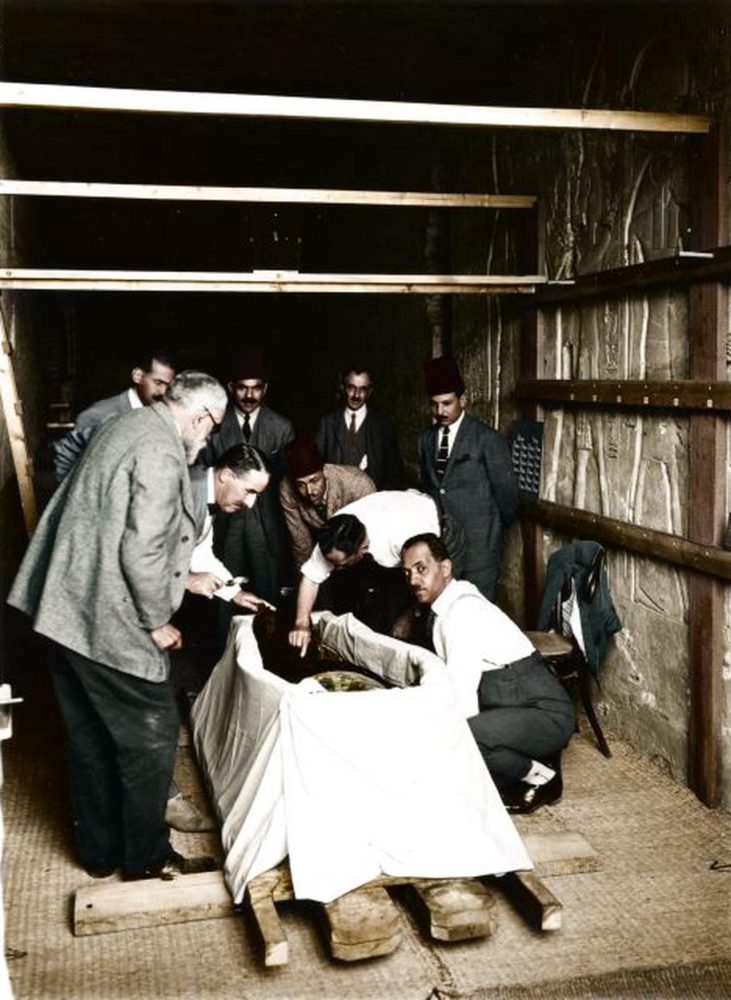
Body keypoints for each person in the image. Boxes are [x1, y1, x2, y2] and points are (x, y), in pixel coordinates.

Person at [8, 371, 227, 880]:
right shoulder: (163, 452)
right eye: (213, 427)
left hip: (64, 609)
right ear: (202, 417)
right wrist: (155, 621)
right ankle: (146, 860)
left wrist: (184, 578)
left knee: (88, 735)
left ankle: (100, 853)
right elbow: (142, 549)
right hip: (103, 616)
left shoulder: (126, 424)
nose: (208, 438)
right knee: (153, 730)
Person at [400, 533, 575, 814]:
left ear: (445, 568)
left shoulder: (461, 612)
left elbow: (462, 701)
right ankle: (521, 760)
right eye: (408, 572)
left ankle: (543, 778)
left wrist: (439, 737)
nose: (413, 580)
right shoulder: (449, 606)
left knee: (461, 738)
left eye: (421, 569)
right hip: (517, 707)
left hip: (547, 714)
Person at [288, 489, 465, 658]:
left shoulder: (403, 540)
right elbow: (311, 578)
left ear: (362, 549)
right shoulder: (335, 534)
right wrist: (301, 624)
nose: (334, 568)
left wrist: (410, 616)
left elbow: (426, 584)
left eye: (340, 565)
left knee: (432, 618)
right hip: (400, 517)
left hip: (439, 531)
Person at [418, 356, 518, 601]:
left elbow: (507, 496)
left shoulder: (487, 439)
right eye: (434, 405)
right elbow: (431, 489)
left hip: (479, 550)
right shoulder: (426, 440)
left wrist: (488, 533)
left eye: (447, 403)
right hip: (442, 547)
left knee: (476, 608)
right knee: (442, 608)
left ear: (463, 400)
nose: (440, 411)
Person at [203, 350, 293, 605]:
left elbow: (285, 483)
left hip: (265, 525)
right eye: (243, 388)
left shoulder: (281, 427)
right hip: (224, 524)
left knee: (266, 594)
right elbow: (205, 474)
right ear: (231, 388)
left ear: (265, 389)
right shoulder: (214, 425)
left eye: (256, 388)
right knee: (222, 590)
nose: (250, 395)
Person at [52, 348, 176, 482]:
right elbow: (66, 464)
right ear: (138, 376)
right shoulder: (98, 415)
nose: (163, 391)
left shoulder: (160, 416)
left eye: (168, 386)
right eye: (158, 383)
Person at [279, 436, 375, 569]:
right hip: (327, 552)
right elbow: (301, 543)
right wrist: (308, 574)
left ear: (324, 470)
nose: (310, 491)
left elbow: (372, 536)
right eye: (301, 485)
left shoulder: (358, 484)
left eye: (314, 480)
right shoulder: (287, 491)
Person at [316, 365, 404, 490]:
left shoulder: (383, 426)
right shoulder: (327, 423)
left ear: (369, 392)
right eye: (351, 388)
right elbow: (316, 469)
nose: (356, 395)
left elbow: (394, 474)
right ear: (342, 387)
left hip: (372, 498)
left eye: (362, 389)